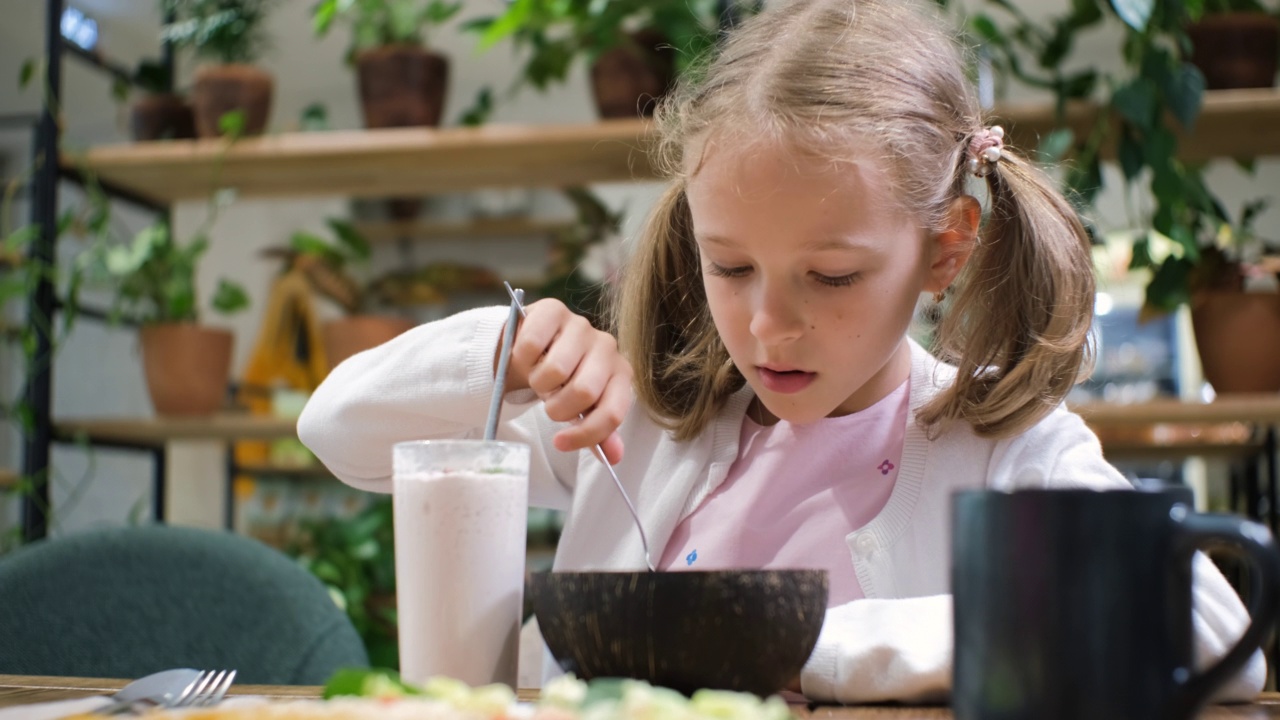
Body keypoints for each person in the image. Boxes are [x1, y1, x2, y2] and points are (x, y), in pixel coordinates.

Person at [298, 0, 1263, 703]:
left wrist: (806, 648)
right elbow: (339, 431)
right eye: (730, 267)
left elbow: (1220, 633)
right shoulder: (645, 416)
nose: (767, 328)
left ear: (945, 248)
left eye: (832, 277)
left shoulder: (1000, 443)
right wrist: (503, 350)